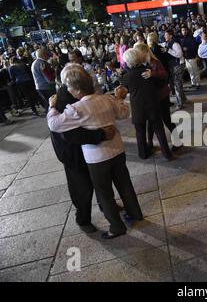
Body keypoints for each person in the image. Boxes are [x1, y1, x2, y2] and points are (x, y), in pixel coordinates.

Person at [47, 64, 143, 239]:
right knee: (125, 184)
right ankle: (135, 213)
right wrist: (120, 99)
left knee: (104, 192)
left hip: (97, 157)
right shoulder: (106, 98)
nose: (68, 90)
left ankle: (116, 226)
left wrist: (51, 107)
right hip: (118, 150)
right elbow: (123, 113)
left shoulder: (76, 108)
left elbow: (54, 124)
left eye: (70, 87)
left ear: (76, 90)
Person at [49, 80, 116, 233]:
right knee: (82, 189)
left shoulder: (67, 97)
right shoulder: (65, 102)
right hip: (73, 155)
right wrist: (101, 134)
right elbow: (71, 134)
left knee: (99, 181)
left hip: (84, 150)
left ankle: (106, 206)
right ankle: (83, 219)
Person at [122, 48, 173, 160]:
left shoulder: (127, 77)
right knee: (159, 130)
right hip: (152, 105)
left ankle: (143, 153)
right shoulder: (148, 72)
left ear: (128, 62)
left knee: (140, 132)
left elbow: (125, 90)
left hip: (138, 108)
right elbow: (160, 84)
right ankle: (167, 153)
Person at [162, 29, 187, 110]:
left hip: (178, 65)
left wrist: (168, 50)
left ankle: (180, 104)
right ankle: (184, 100)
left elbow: (179, 55)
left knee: (177, 85)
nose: (165, 36)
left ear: (171, 36)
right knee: (178, 84)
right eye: (165, 35)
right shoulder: (167, 43)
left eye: (166, 35)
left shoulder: (175, 44)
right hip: (173, 66)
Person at [180, 26, 201, 91]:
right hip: (186, 58)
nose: (184, 31)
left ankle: (197, 83)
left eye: (185, 30)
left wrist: (187, 49)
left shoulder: (191, 38)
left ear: (187, 30)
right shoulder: (182, 39)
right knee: (190, 71)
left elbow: (194, 47)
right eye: (183, 30)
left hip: (192, 57)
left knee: (195, 71)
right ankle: (193, 83)